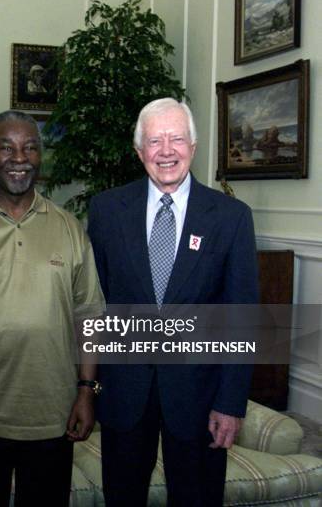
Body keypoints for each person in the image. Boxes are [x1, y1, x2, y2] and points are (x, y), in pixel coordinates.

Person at [87, 98, 259, 506]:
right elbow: (95, 303)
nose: (166, 151)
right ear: (139, 151)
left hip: (199, 398)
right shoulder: (107, 210)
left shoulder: (231, 217)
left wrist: (230, 403)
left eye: (177, 139)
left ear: (194, 147)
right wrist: (86, 386)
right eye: (154, 141)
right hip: (125, 394)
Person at [0, 110, 105, 507]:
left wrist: (86, 392)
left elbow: (90, 317)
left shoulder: (69, 229)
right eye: (7, 147)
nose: (20, 157)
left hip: (53, 418)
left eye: (30, 147)